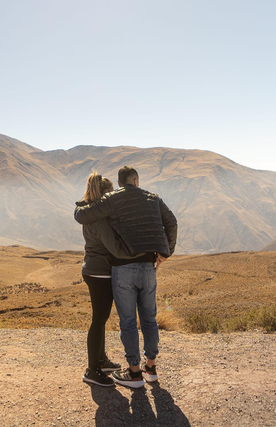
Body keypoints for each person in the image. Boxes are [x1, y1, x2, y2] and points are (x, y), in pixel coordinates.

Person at [74, 166, 177, 389]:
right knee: (141, 319)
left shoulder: (103, 206)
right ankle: (142, 368)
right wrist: (156, 252)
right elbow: (171, 222)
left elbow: (83, 215)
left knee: (120, 321)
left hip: (112, 269)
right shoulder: (149, 199)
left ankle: (123, 369)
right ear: (136, 181)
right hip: (125, 269)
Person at [76, 172, 127, 387]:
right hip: (100, 272)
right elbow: (113, 247)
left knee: (101, 318)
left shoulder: (90, 213)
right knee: (98, 319)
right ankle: (92, 370)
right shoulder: (99, 219)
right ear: (105, 194)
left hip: (94, 270)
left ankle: (101, 361)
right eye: (111, 194)